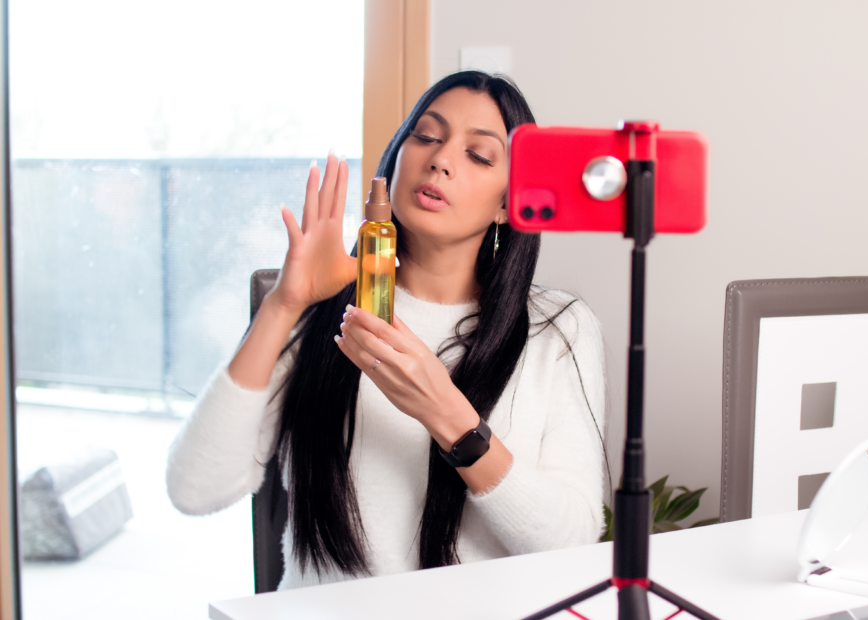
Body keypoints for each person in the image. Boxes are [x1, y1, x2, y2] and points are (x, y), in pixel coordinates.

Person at [166, 70, 608, 590]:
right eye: (426, 135)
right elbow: (194, 489)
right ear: (396, 157)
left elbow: (573, 540)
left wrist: (448, 416)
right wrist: (285, 305)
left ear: (508, 204)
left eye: (479, 155)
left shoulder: (558, 331)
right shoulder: (324, 311)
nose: (440, 159)